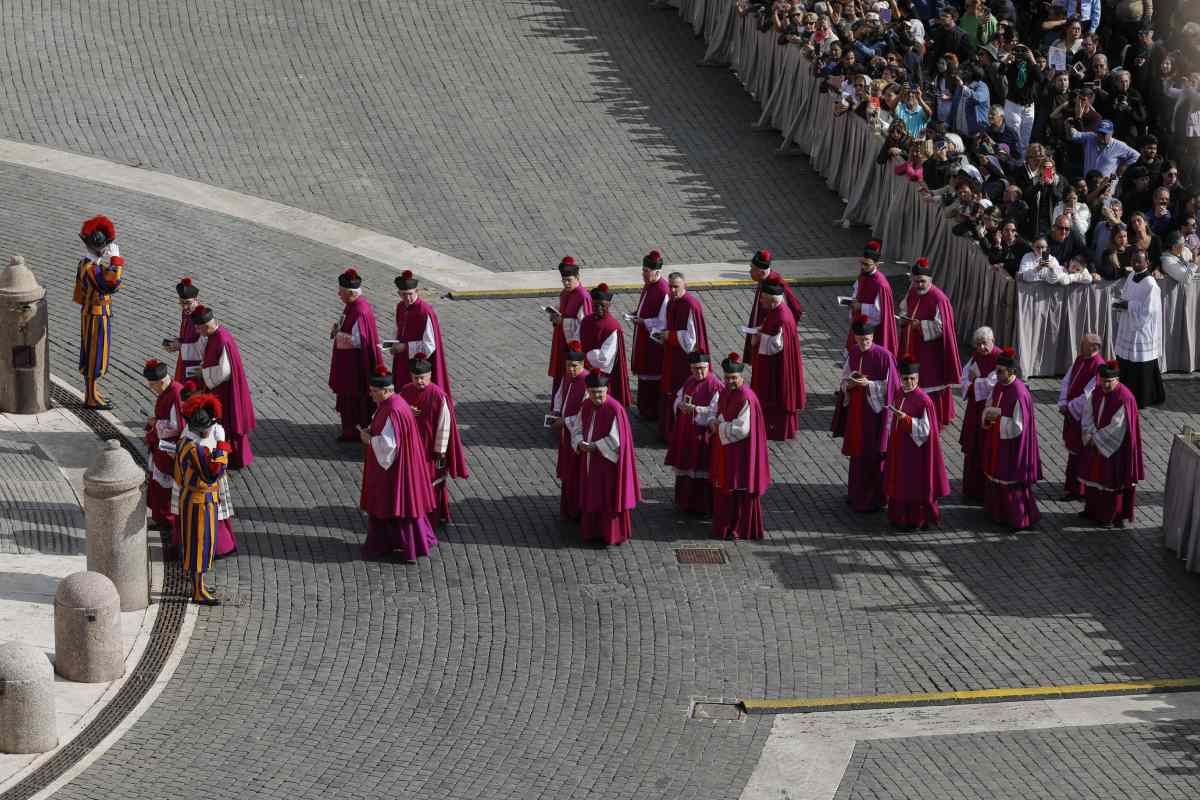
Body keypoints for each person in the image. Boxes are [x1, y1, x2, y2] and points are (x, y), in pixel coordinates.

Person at [360, 366, 438, 562]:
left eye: (374, 391)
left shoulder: (393, 409)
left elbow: (388, 445)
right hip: (401, 466)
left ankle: (396, 545)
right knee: (402, 506)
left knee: (394, 504)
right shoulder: (396, 403)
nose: (371, 394)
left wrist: (368, 439)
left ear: (386, 390)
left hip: (394, 470)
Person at [835, 316, 900, 513]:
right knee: (858, 453)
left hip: (876, 415)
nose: (864, 343)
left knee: (873, 454)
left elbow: (893, 387)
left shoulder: (884, 356)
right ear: (855, 338)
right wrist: (851, 384)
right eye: (860, 339)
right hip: (857, 412)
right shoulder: (854, 353)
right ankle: (856, 493)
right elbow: (844, 379)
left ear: (873, 337)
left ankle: (875, 497)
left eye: (868, 340)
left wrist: (869, 385)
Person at [174, 393, 232, 605]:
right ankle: (198, 591)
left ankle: (198, 585)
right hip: (200, 502)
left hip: (194, 498)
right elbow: (214, 472)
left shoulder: (184, 442)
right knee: (200, 545)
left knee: (199, 543)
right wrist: (222, 446)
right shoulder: (196, 450)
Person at [572, 369, 641, 548]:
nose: (597, 397)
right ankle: (593, 531)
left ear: (606, 390)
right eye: (593, 393)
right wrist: (579, 442)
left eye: (600, 393)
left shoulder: (614, 408)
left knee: (608, 498)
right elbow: (578, 427)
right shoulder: (586, 405)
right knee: (592, 494)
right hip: (589, 461)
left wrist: (595, 446)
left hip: (609, 464)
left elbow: (617, 440)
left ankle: (611, 534)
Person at [399, 356, 468, 527]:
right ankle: (415, 515)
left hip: (431, 449)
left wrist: (440, 451)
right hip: (411, 447)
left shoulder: (438, 395)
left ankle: (434, 517)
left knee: (433, 483)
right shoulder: (405, 391)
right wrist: (406, 410)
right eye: (416, 378)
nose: (419, 381)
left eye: (423, 377)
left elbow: (445, 425)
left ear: (430, 376)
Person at [708, 353, 770, 541]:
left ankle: (739, 528)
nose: (730, 381)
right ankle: (724, 525)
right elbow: (720, 413)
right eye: (727, 378)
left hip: (742, 451)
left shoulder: (746, 397)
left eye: (733, 378)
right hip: (726, 448)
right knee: (725, 487)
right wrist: (714, 421)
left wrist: (719, 427)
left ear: (742, 377)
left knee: (738, 489)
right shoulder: (725, 392)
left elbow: (742, 429)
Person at [884, 356, 950, 531]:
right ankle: (898, 516)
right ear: (900, 377)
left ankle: (916, 519)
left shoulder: (924, 401)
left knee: (912, 483)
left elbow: (925, 431)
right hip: (899, 447)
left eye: (913, 378)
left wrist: (905, 420)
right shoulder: (899, 393)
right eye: (906, 379)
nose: (909, 382)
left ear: (918, 378)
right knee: (900, 481)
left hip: (916, 453)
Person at [980, 348, 1042, 532]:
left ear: (1011, 372)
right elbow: (989, 404)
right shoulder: (999, 385)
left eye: (1000, 371)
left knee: (1010, 480)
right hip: (998, 440)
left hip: (1013, 445)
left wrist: (997, 418)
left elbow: (1017, 426)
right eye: (996, 370)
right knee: (997, 477)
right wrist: (987, 415)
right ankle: (998, 514)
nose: (996, 374)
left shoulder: (1019, 393)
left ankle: (1019, 518)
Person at [1077, 360, 1145, 528]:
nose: (1105, 385)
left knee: (1110, 481)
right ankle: (1092, 510)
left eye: (1109, 381)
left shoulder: (1124, 397)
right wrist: (1090, 433)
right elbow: (1088, 413)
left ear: (1117, 379)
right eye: (1103, 380)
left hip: (1114, 448)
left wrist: (1097, 439)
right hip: (1095, 442)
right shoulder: (1097, 391)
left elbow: (1118, 427)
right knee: (1093, 477)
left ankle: (1110, 516)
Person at [192, 304, 257, 469]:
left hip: (225, 392)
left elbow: (225, 372)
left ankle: (231, 459)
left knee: (227, 424)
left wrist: (204, 373)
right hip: (219, 389)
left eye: (199, 329)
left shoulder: (221, 338)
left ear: (207, 325)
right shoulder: (215, 335)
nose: (198, 332)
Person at [898, 258, 961, 425]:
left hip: (932, 350)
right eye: (916, 281)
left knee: (930, 380)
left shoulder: (939, 298)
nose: (918, 284)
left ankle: (935, 417)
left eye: (922, 281)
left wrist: (922, 325)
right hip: (912, 343)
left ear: (930, 280)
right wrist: (904, 318)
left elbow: (944, 327)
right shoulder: (912, 291)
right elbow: (905, 307)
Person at [73, 215, 124, 410]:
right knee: (96, 357)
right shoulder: (91, 268)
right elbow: (110, 284)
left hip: (92, 312)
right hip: (96, 315)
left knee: (92, 354)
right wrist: (116, 261)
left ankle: (92, 392)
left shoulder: (87, 264)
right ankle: (91, 398)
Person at [748, 276, 806, 440]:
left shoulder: (781, 317)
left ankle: (775, 429)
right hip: (776, 363)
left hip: (778, 366)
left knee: (776, 395)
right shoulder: (777, 310)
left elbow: (775, 345)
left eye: (763, 298)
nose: (760, 301)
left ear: (772, 300)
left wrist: (759, 337)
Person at [329, 268, 383, 442]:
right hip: (350, 364)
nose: (339, 294)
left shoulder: (360, 311)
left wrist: (339, 336)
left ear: (351, 293)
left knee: (354, 400)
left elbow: (360, 340)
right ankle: (350, 429)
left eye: (341, 291)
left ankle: (355, 431)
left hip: (356, 367)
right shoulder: (352, 305)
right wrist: (338, 328)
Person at [665, 351, 722, 515]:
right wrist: (680, 405)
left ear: (708, 366)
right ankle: (685, 502)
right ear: (690, 368)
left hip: (702, 435)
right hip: (686, 432)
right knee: (685, 465)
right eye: (696, 369)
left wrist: (695, 409)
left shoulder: (714, 385)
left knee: (700, 468)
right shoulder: (690, 380)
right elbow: (678, 397)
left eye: (702, 368)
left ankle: (701, 506)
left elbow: (715, 410)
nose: (700, 372)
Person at [654, 272, 710, 440]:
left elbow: (691, 340)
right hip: (672, 354)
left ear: (684, 286)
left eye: (675, 287)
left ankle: (680, 433)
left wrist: (669, 336)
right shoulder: (672, 301)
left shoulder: (689, 305)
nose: (671, 290)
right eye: (670, 286)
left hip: (685, 360)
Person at [1114, 250, 1165, 408]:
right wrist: (1121, 303)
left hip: (1142, 329)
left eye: (1139, 261)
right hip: (1129, 323)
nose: (1135, 264)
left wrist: (1128, 305)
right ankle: (1123, 392)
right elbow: (1127, 295)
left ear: (1147, 263)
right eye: (1133, 260)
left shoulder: (1150, 284)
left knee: (1140, 363)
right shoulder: (1130, 276)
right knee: (1125, 361)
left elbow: (1149, 311)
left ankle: (1143, 397)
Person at [1057, 333, 1105, 501]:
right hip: (1071, 413)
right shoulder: (1079, 359)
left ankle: (1080, 488)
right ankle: (1072, 486)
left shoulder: (1099, 366)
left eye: (1083, 344)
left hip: (1083, 417)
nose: (1079, 346)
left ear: (1094, 348)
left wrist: (1069, 408)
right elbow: (1066, 380)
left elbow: (1089, 396)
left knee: (1082, 453)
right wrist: (1063, 401)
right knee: (1073, 451)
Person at [390, 270, 452, 394]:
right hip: (402, 361)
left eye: (410, 294)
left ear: (417, 291)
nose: (407, 298)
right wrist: (391, 346)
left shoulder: (424, 312)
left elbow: (430, 345)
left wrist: (405, 347)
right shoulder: (400, 307)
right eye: (403, 294)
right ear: (399, 293)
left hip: (418, 367)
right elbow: (398, 330)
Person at [958, 326, 999, 501]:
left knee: (987, 447)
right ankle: (972, 488)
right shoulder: (976, 356)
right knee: (973, 447)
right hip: (975, 409)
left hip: (989, 410)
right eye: (978, 344)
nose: (981, 348)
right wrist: (972, 383)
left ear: (993, 341)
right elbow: (964, 376)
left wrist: (975, 383)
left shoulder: (999, 357)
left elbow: (992, 383)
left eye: (984, 343)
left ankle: (986, 490)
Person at [142, 359, 183, 533]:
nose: (151, 388)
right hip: (162, 445)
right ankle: (160, 518)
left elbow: (176, 427)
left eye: (152, 385)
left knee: (166, 486)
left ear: (161, 381)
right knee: (158, 485)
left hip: (170, 448)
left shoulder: (176, 394)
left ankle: (168, 520)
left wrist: (156, 423)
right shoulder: (167, 390)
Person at [744, 249, 803, 363]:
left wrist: (782, 332)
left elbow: (795, 309)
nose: (749, 271)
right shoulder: (764, 280)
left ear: (761, 272)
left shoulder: (775, 284)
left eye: (752, 269)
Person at [630, 250, 669, 421]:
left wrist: (643, 322)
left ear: (657, 272)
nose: (643, 274)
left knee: (652, 375)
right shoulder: (649, 285)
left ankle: (651, 411)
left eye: (647, 271)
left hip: (654, 341)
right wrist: (636, 313)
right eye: (643, 270)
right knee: (644, 374)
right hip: (643, 337)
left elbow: (662, 321)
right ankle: (644, 408)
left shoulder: (662, 290)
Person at [551, 342, 589, 521]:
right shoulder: (568, 377)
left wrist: (565, 421)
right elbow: (560, 395)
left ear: (582, 365)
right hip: (566, 434)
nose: (571, 370)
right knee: (568, 472)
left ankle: (577, 509)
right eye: (568, 366)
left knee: (576, 473)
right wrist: (556, 411)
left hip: (578, 436)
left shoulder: (588, 383)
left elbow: (585, 415)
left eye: (574, 366)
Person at [546, 256, 591, 402]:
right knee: (560, 373)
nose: (566, 283)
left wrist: (562, 321)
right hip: (560, 341)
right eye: (563, 280)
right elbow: (562, 310)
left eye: (568, 280)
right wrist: (554, 316)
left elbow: (584, 325)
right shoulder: (565, 292)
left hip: (573, 345)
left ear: (577, 277)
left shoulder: (583, 296)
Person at [580, 283, 632, 407]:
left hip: (603, 376)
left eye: (602, 305)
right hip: (584, 369)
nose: (598, 308)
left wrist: (584, 358)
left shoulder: (612, 327)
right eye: (595, 305)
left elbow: (604, 358)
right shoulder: (586, 321)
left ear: (608, 305)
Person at [847, 240, 898, 356]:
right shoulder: (863, 275)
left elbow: (879, 313)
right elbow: (857, 291)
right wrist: (853, 301)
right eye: (862, 263)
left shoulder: (881, 284)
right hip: (859, 323)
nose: (863, 267)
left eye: (867, 264)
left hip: (874, 331)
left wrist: (860, 306)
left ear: (877, 264)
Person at [165, 277, 203, 382]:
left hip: (197, 365)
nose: (184, 307)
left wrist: (180, 346)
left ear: (196, 300)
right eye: (181, 303)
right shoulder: (186, 313)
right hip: (184, 360)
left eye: (188, 303)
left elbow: (203, 347)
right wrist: (177, 342)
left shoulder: (202, 319)